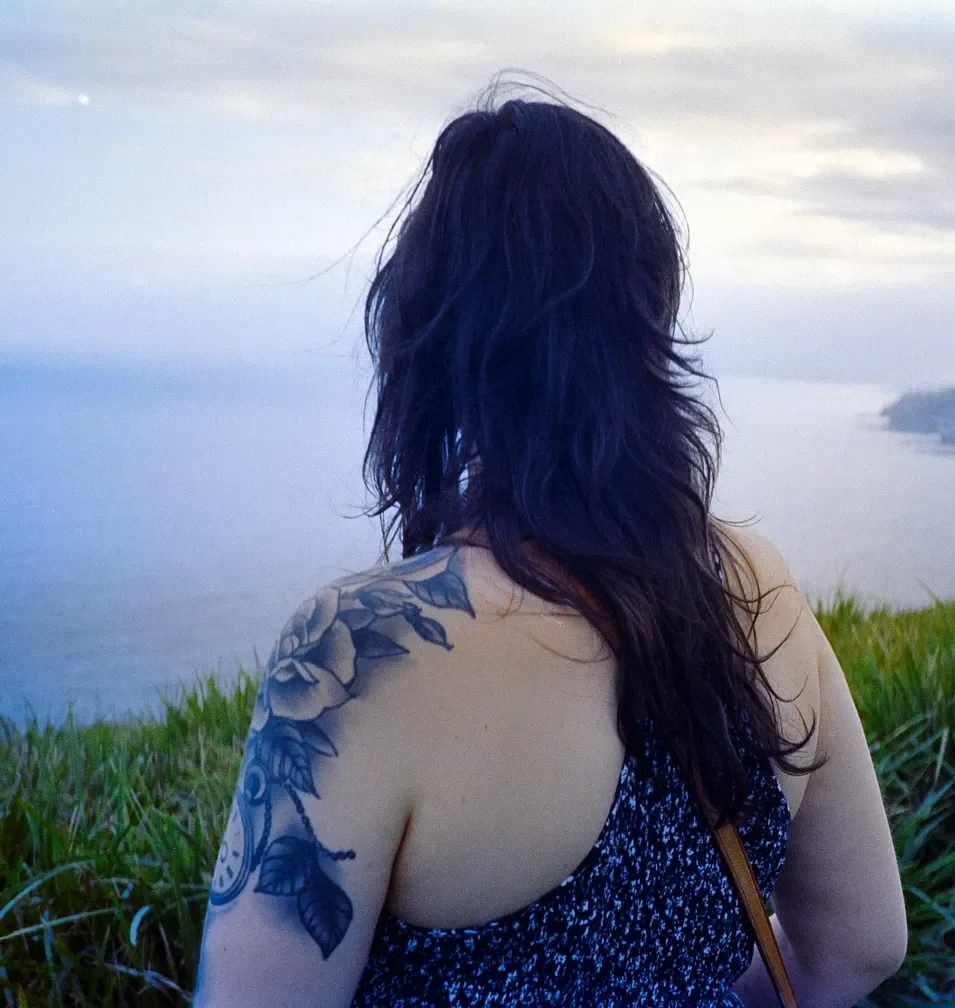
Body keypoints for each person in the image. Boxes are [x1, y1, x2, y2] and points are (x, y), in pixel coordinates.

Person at [193, 85, 906, 1007]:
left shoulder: (362, 652)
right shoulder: (755, 586)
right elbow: (862, 944)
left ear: (434, 337)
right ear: (648, 328)